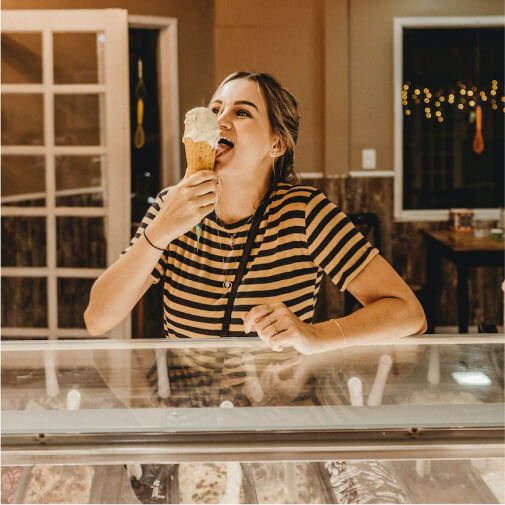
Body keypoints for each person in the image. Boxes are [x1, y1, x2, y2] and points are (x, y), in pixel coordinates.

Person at [84, 71, 426, 355]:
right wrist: (159, 232)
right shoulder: (169, 208)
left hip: (277, 415)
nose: (221, 120)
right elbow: (97, 319)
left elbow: (409, 314)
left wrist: (316, 336)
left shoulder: (305, 214)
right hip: (191, 417)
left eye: (242, 112)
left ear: (276, 144)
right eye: (216, 108)